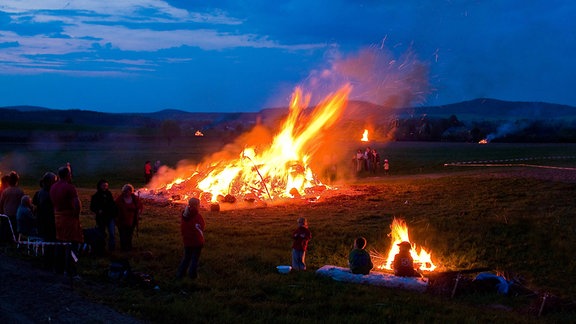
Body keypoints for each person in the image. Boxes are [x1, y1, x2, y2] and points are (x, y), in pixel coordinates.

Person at [50, 166, 83, 277]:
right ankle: (71, 271)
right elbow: (77, 205)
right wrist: (76, 216)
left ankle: (57, 268)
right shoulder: (70, 188)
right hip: (69, 220)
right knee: (73, 245)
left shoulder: (53, 186)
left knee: (60, 244)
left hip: (57, 218)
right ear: (68, 175)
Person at [32, 172, 58, 271]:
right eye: (54, 181)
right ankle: (49, 264)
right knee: (50, 243)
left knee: (48, 243)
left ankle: (47, 263)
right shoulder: (48, 194)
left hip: (42, 222)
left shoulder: (39, 192)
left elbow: (35, 207)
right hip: (48, 223)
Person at [176, 197, 205, 280]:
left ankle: (180, 274)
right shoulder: (197, 216)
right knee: (195, 259)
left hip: (187, 241)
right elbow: (202, 226)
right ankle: (193, 276)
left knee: (186, 258)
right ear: (197, 206)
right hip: (197, 242)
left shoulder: (184, 214)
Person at [90, 179, 117, 251]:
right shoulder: (96, 196)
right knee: (101, 233)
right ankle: (101, 248)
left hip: (110, 217)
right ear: (100, 186)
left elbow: (112, 204)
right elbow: (92, 207)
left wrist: (114, 213)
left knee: (112, 233)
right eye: (104, 186)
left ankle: (112, 249)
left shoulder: (109, 194)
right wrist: (98, 211)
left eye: (106, 186)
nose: (105, 187)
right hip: (101, 218)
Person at [115, 184, 143, 251]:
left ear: (131, 191)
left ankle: (129, 247)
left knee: (129, 234)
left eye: (127, 191)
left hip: (132, 219)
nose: (126, 193)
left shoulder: (134, 198)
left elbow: (140, 206)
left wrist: (138, 211)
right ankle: (123, 248)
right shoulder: (119, 199)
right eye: (124, 191)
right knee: (123, 234)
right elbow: (115, 208)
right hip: (122, 220)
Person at [0, 171, 25, 242]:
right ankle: (15, 242)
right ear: (16, 181)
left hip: (6, 214)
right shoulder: (20, 191)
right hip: (16, 214)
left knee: (5, 230)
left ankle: (5, 243)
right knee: (15, 230)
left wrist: (1, 212)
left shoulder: (5, 191)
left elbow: (1, 203)